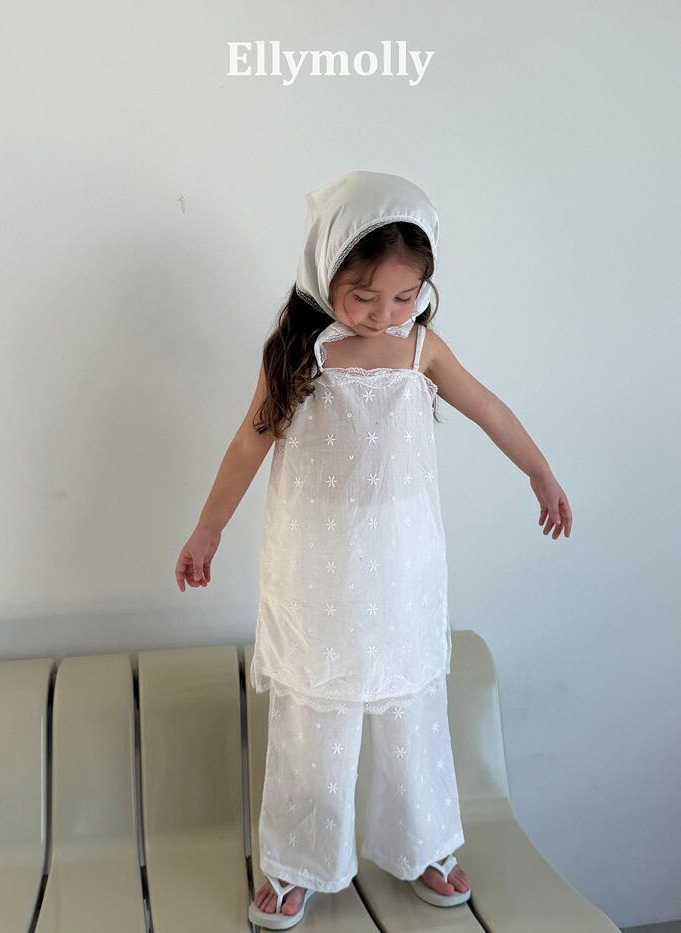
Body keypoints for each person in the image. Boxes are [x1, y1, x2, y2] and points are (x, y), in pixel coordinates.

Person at [175, 170, 572, 929]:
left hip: (402, 566)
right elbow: (248, 443)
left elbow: (488, 406)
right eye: (364, 296)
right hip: (316, 567)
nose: (385, 314)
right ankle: (297, 861)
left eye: (404, 296)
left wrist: (540, 472)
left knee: (409, 703)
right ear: (323, 273)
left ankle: (423, 844)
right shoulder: (301, 353)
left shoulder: (421, 349)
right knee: (315, 712)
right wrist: (208, 528)